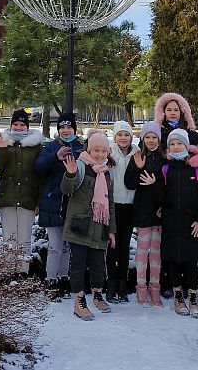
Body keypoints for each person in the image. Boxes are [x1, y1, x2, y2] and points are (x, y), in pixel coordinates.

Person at [154, 129, 198, 318]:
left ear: (186, 145)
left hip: (192, 223)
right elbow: (161, 196)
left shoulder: (197, 168)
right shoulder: (165, 168)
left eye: (179, 143)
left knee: (191, 262)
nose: (175, 147)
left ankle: (193, 298)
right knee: (173, 260)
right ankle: (178, 296)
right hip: (172, 222)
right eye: (172, 144)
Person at [61, 130, 116, 321]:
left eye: (103, 151)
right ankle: (79, 301)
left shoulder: (107, 174)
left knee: (98, 265)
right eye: (96, 151)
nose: (100, 155)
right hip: (80, 225)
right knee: (78, 264)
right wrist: (70, 174)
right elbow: (66, 190)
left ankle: (97, 294)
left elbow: (110, 204)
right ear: (89, 150)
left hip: (100, 227)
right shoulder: (81, 167)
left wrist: (112, 231)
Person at [35, 113, 85, 298]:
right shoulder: (50, 147)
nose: (65, 131)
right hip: (53, 202)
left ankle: (64, 278)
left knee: (67, 247)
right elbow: (39, 167)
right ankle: (51, 280)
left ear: (74, 129)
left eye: (69, 127)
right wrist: (55, 157)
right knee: (55, 245)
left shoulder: (80, 147)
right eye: (62, 128)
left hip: (74, 204)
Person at [0, 110, 43, 275]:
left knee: (24, 240)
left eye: (22, 125)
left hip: (28, 198)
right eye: (16, 124)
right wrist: (0, 150)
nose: (19, 128)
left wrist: (39, 201)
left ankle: (22, 274)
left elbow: (41, 174)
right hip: (8, 198)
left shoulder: (36, 146)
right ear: (11, 125)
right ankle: (8, 273)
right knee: (9, 239)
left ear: (27, 127)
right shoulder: (4, 143)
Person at [124, 120, 166, 308]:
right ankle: (141, 286)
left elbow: (168, 187)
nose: (151, 140)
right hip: (142, 210)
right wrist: (138, 168)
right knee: (142, 251)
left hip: (159, 212)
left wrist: (155, 185)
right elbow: (129, 183)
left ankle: (154, 287)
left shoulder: (165, 158)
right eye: (147, 137)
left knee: (156, 252)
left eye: (154, 137)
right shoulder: (138, 156)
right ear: (142, 139)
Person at [106, 120, 136, 302]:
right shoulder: (109, 153)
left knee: (124, 246)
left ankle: (123, 285)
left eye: (126, 134)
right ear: (115, 137)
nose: (123, 138)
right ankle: (110, 285)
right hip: (113, 204)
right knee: (112, 246)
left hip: (130, 205)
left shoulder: (137, 154)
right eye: (120, 134)